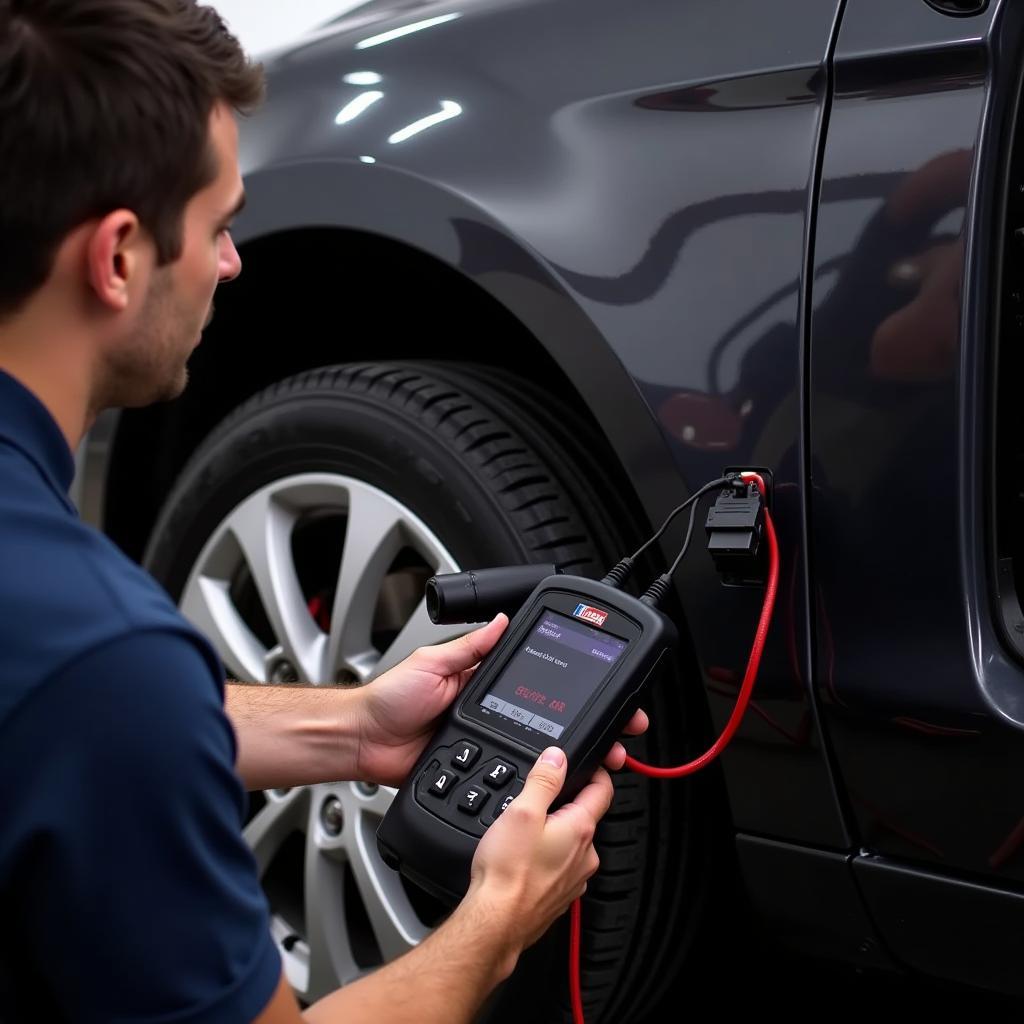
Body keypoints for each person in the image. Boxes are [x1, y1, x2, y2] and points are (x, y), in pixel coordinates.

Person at [0, 2, 646, 1021]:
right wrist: (497, 921)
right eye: (218, 225)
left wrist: (351, 729)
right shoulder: (102, 654)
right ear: (117, 257)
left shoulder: (65, 648)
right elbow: (97, 701)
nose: (232, 263)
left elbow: (48, 714)